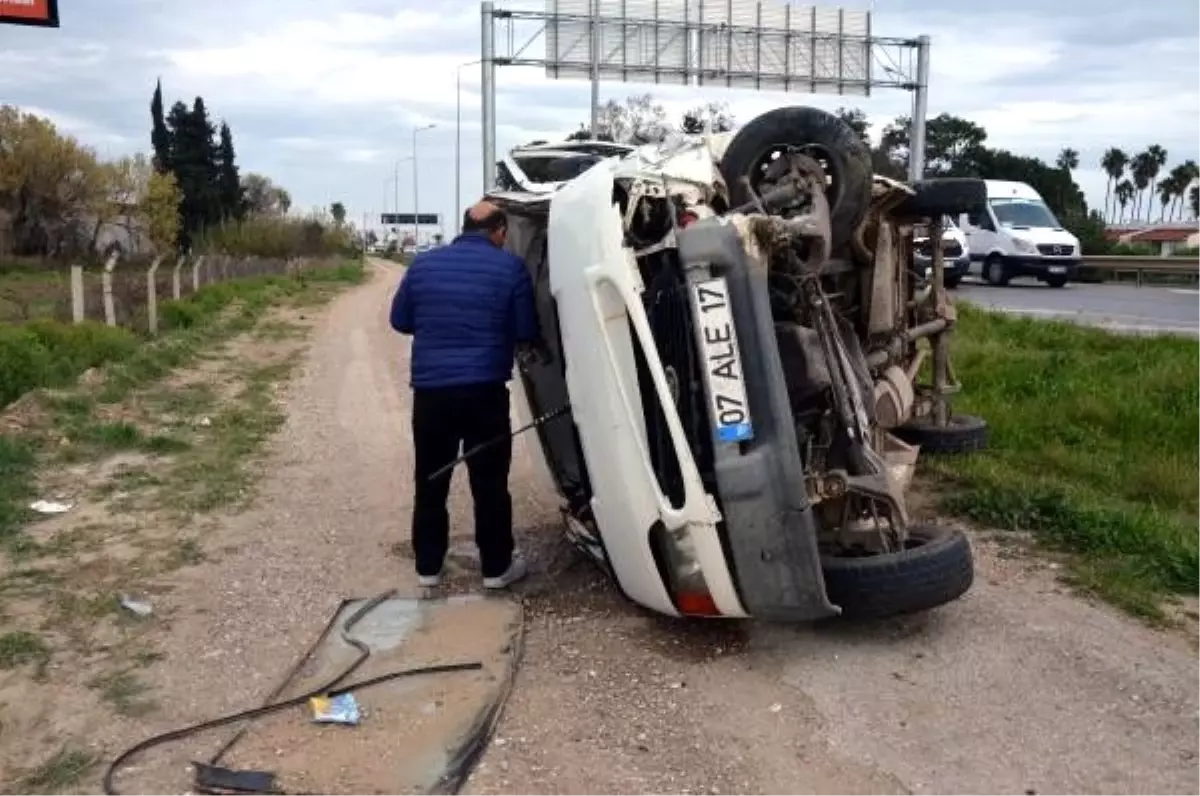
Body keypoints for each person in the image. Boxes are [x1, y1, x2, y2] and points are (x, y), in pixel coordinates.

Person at [389, 200, 540, 590]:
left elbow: (400, 320)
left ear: (463, 228)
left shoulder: (422, 265)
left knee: (430, 479)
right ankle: (495, 568)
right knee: (489, 482)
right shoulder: (510, 269)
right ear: (500, 232)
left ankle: (428, 567)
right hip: (484, 394)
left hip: (432, 395)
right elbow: (525, 331)